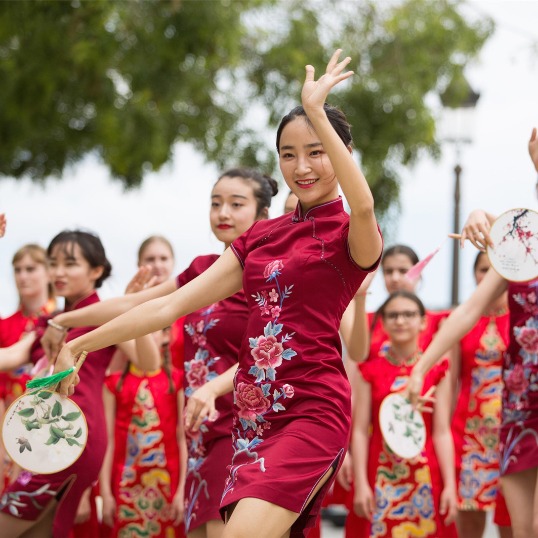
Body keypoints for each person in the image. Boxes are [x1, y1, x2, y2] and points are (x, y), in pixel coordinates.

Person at [51, 49, 383, 538]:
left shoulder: (350, 235)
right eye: (288, 154)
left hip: (312, 412)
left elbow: (364, 202)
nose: (302, 166)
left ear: (342, 154)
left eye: (317, 151)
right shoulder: (260, 239)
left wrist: (315, 111)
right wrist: (78, 343)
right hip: (249, 423)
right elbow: (167, 306)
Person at [408, 127, 538, 538]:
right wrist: (422, 367)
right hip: (519, 405)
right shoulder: (522, 245)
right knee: (523, 530)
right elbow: (468, 310)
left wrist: (484, 214)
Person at [0, 230, 159, 537]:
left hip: (71, 435)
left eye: (70, 263)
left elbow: (149, 362)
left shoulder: (103, 315)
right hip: (48, 435)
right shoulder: (52, 321)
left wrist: (134, 311)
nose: (58, 272)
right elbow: (10, 356)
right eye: (53, 263)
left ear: (96, 271)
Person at [347, 291, 457, 537]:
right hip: (380, 474)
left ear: (423, 321)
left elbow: (441, 432)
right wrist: (361, 484)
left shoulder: (438, 371)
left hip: (426, 475)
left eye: (408, 314)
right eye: (393, 315)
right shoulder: (369, 371)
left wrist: (450, 485)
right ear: (383, 322)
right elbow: (360, 431)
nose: (400, 320)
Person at [100, 328, 187, 537]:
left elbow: (183, 439)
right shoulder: (113, 383)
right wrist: (105, 493)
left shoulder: (177, 380)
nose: (143, 337)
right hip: (124, 484)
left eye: (153, 329)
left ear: (167, 336)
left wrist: (182, 489)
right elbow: (108, 442)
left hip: (168, 484)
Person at [451, 251, 512, 538]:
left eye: (496, 268)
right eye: (483, 269)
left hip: (512, 437)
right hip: (468, 439)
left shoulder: (523, 317)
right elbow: (451, 385)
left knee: (513, 522)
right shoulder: (461, 319)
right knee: (469, 522)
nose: (489, 275)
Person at [0, 244, 56, 490]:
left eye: (31, 269)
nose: (23, 276)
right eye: (18, 269)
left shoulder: (64, 320)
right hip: (11, 433)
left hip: (55, 432)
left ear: (48, 272)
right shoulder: (4, 326)